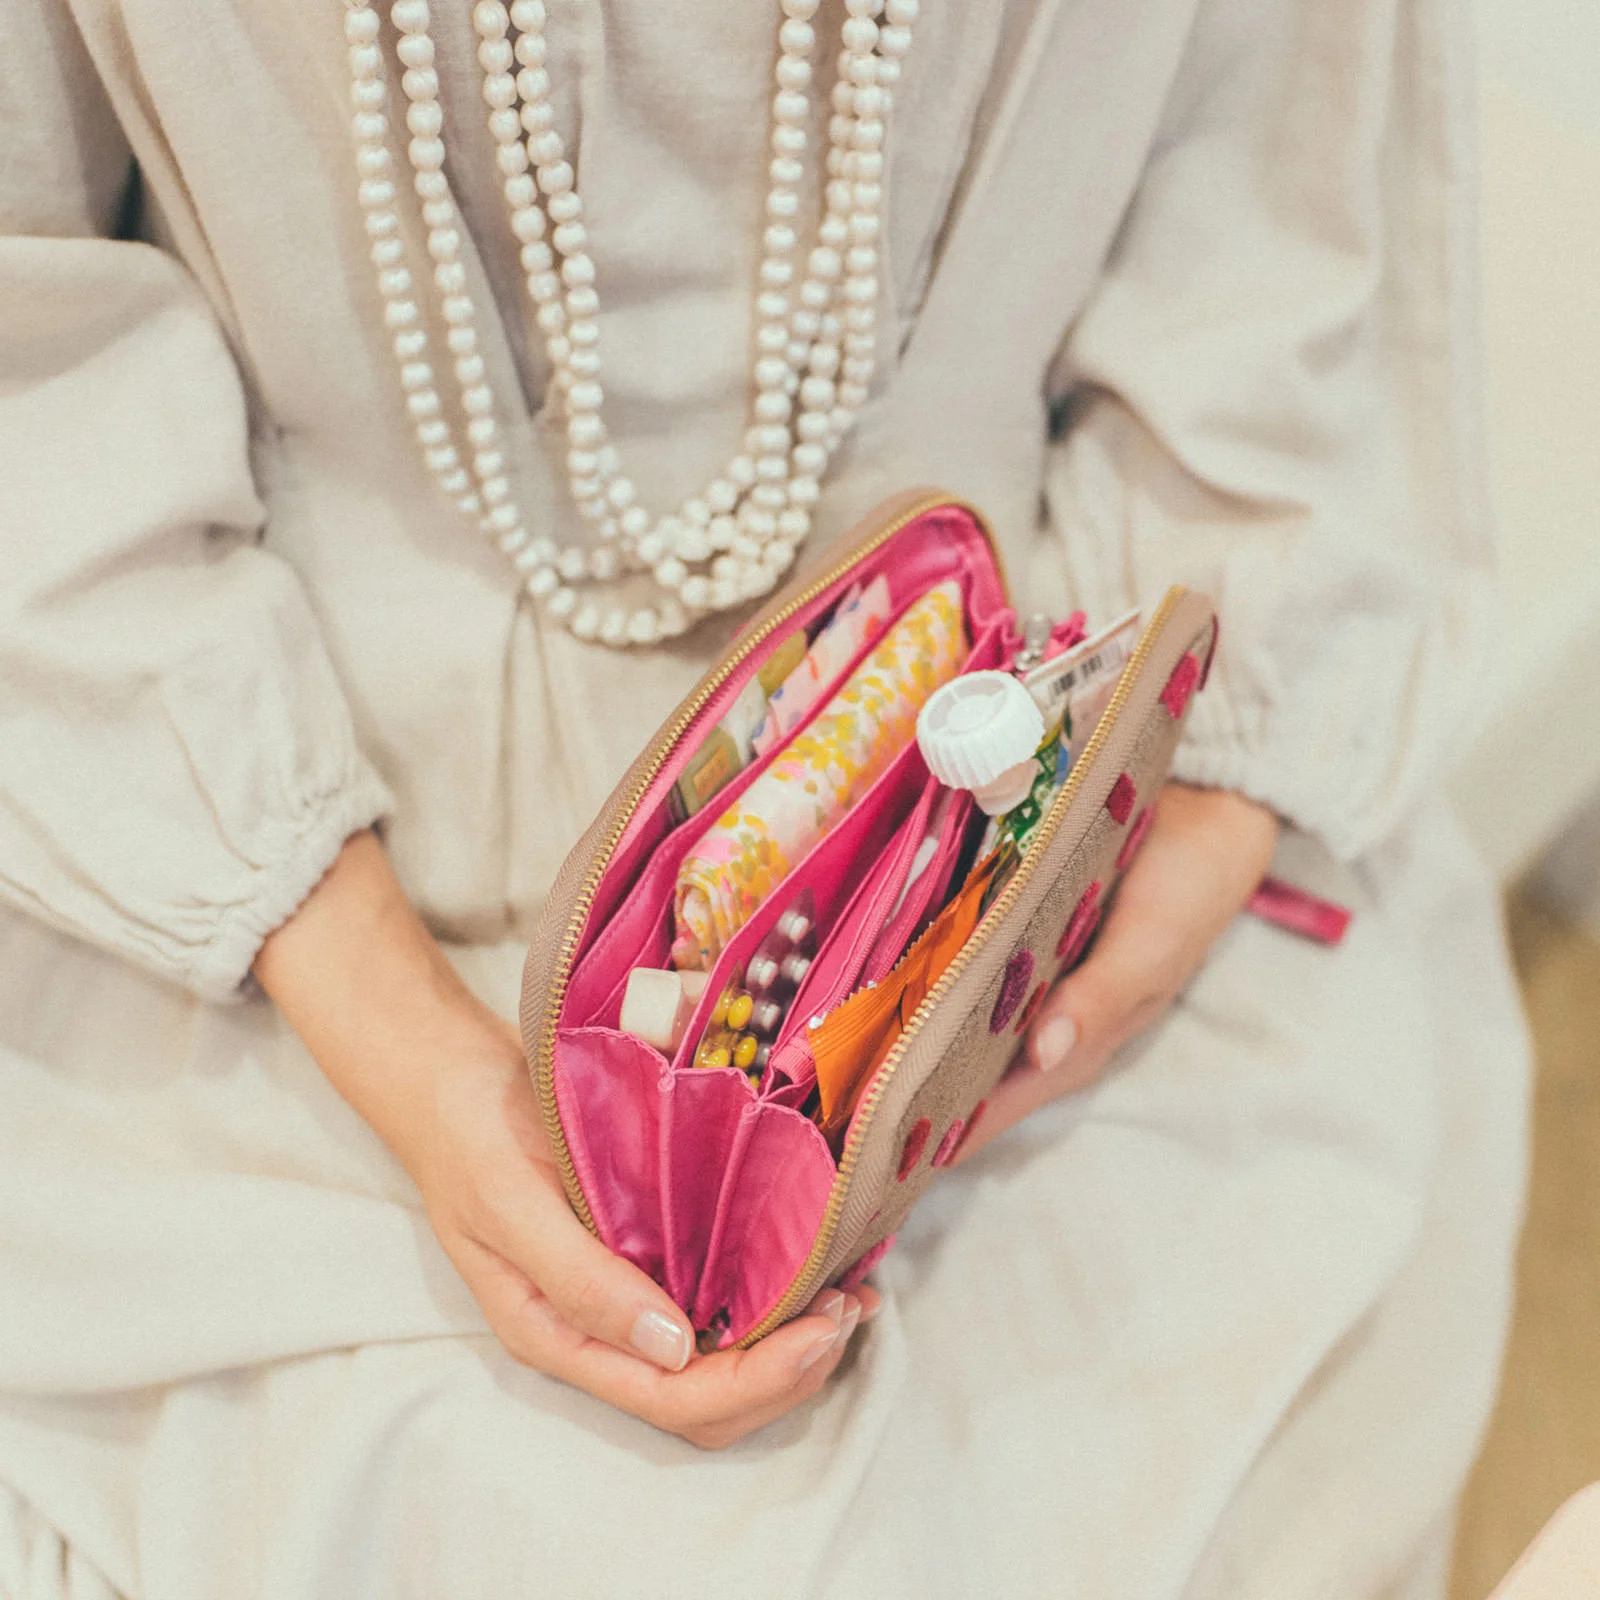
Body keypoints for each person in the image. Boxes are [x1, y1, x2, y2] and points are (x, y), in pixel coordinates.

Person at [0, 0, 1528, 1594]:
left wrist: (1174, 805)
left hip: (1037, 711)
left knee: (1233, 1344)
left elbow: (1273, 212)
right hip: (260, 807)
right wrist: (394, 1028)